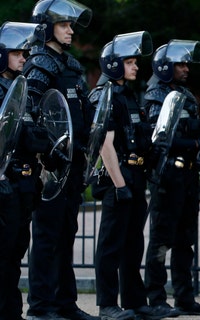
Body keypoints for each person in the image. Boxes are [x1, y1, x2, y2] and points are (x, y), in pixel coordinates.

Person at [89, 31, 174, 320]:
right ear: (113, 64)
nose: (136, 66)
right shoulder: (106, 96)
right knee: (111, 245)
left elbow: (136, 137)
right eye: (129, 61)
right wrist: (119, 184)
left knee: (133, 244)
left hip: (135, 176)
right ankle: (107, 305)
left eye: (135, 61)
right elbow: (105, 144)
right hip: (119, 178)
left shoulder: (128, 96)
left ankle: (135, 302)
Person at [22, 1, 98, 319]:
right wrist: (44, 158)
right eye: (64, 25)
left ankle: (65, 303)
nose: (70, 31)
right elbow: (27, 116)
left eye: (71, 25)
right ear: (46, 26)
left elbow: (86, 111)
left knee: (67, 235)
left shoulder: (71, 66)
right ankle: (41, 305)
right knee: (47, 236)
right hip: (49, 169)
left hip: (73, 164)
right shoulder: (39, 65)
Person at [143, 39, 200, 316]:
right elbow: (159, 137)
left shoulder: (186, 95)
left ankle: (185, 298)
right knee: (162, 240)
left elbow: (197, 133)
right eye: (180, 64)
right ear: (164, 67)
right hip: (167, 176)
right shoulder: (155, 96)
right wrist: (190, 145)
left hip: (188, 176)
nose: (186, 69)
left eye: (187, 64)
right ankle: (157, 298)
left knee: (186, 241)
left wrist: (199, 150)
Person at [0, 21, 44, 320]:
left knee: (15, 255)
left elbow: (35, 132)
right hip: (5, 182)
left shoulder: (23, 90)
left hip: (25, 184)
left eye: (25, 53)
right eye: (17, 54)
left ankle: (12, 313)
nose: (23, 58)